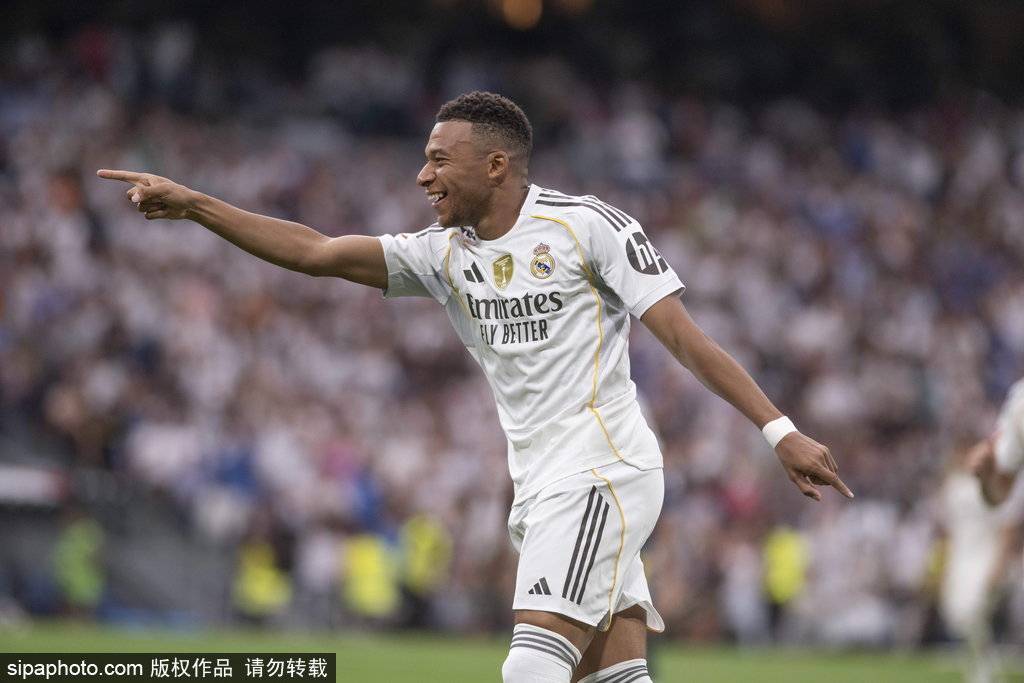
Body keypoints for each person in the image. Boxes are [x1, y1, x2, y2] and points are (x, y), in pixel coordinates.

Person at [98, 91, 853, 683]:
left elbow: (684, 338)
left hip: (601, 471)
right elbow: (317, 251)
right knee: (611, 677)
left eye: (438, 160)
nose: (422, 176)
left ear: (495, 165)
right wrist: (197, 206)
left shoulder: (587, 227)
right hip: (542, 485)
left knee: (529, 667)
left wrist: (779, 430)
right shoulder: (442, 254)